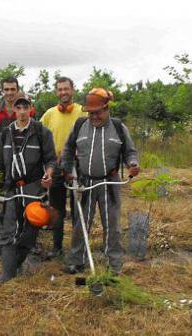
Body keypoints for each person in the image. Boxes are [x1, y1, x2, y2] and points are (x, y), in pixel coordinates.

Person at [0, 93, 56, 282]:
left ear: (30, 109)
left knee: (31, 229)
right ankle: (7, 274)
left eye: (25, 107)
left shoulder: (42, 132)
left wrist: (49, 174)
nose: (22, 111)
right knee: (8, 230)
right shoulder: (6, 134)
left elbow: (50, 160)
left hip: (34, 188)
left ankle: (16, 264)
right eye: (18, 108)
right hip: (11, 188)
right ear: (13, 110)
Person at [60, 88, 140, 275]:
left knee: (112, 226)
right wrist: (66, 169)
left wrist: (133, 164)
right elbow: (68, 149)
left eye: (98, 112)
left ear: (107, 108)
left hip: (110, 184)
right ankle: (76, 261)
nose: (94, 116)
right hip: (84, 183)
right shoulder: (80, 126)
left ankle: (113, 264)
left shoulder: (118, 128)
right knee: (81, 223)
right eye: (91, 113)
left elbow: (130, 152)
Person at [0, 77, 36, 257]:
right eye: (7, 89)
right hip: (0, 162)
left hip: (23, 165)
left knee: (25, 203)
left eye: (13, 89)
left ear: (17, 89)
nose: (10, 93)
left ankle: (25, 243)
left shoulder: (27, 110)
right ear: (2, 91)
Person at [39, 76, 86, 259]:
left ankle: (77, 249)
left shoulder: (83, 112)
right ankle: (57, 247)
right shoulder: (50, 114)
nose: (63, 92)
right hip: (55, 168)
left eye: (66, 89)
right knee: (56, 209)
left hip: (78, 167)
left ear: (72, 90)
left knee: (78, 209)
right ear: (56, 92)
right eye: (60, 89)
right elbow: (38, 134)